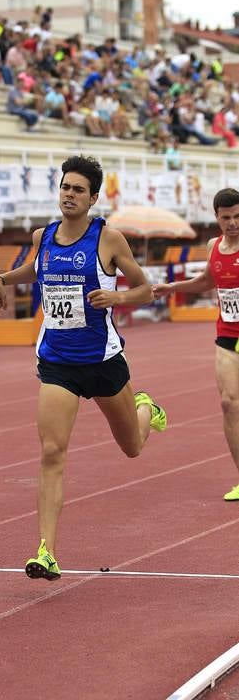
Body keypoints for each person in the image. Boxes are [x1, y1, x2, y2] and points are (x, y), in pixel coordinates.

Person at [0, 155, 168, 581]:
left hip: (103, 362)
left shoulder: (108, 240)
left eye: (78, 190)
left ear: (93, 198)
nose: (69, 195)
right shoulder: (43, 236)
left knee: (132, 447)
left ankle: (145, 408)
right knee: (52, 452)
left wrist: (117, 299)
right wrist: (2, 279)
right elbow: (37, 269)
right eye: (65, 187)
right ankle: (46, 550)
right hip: (58, 362)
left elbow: (144, 288)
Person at [154, 188, 239, 501]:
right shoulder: (213, 245)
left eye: (238, 217)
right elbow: (208, 280)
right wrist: (173, 287)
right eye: (226, 218)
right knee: (229, 404)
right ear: (217, 218)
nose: (233, 223)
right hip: (228, 335)